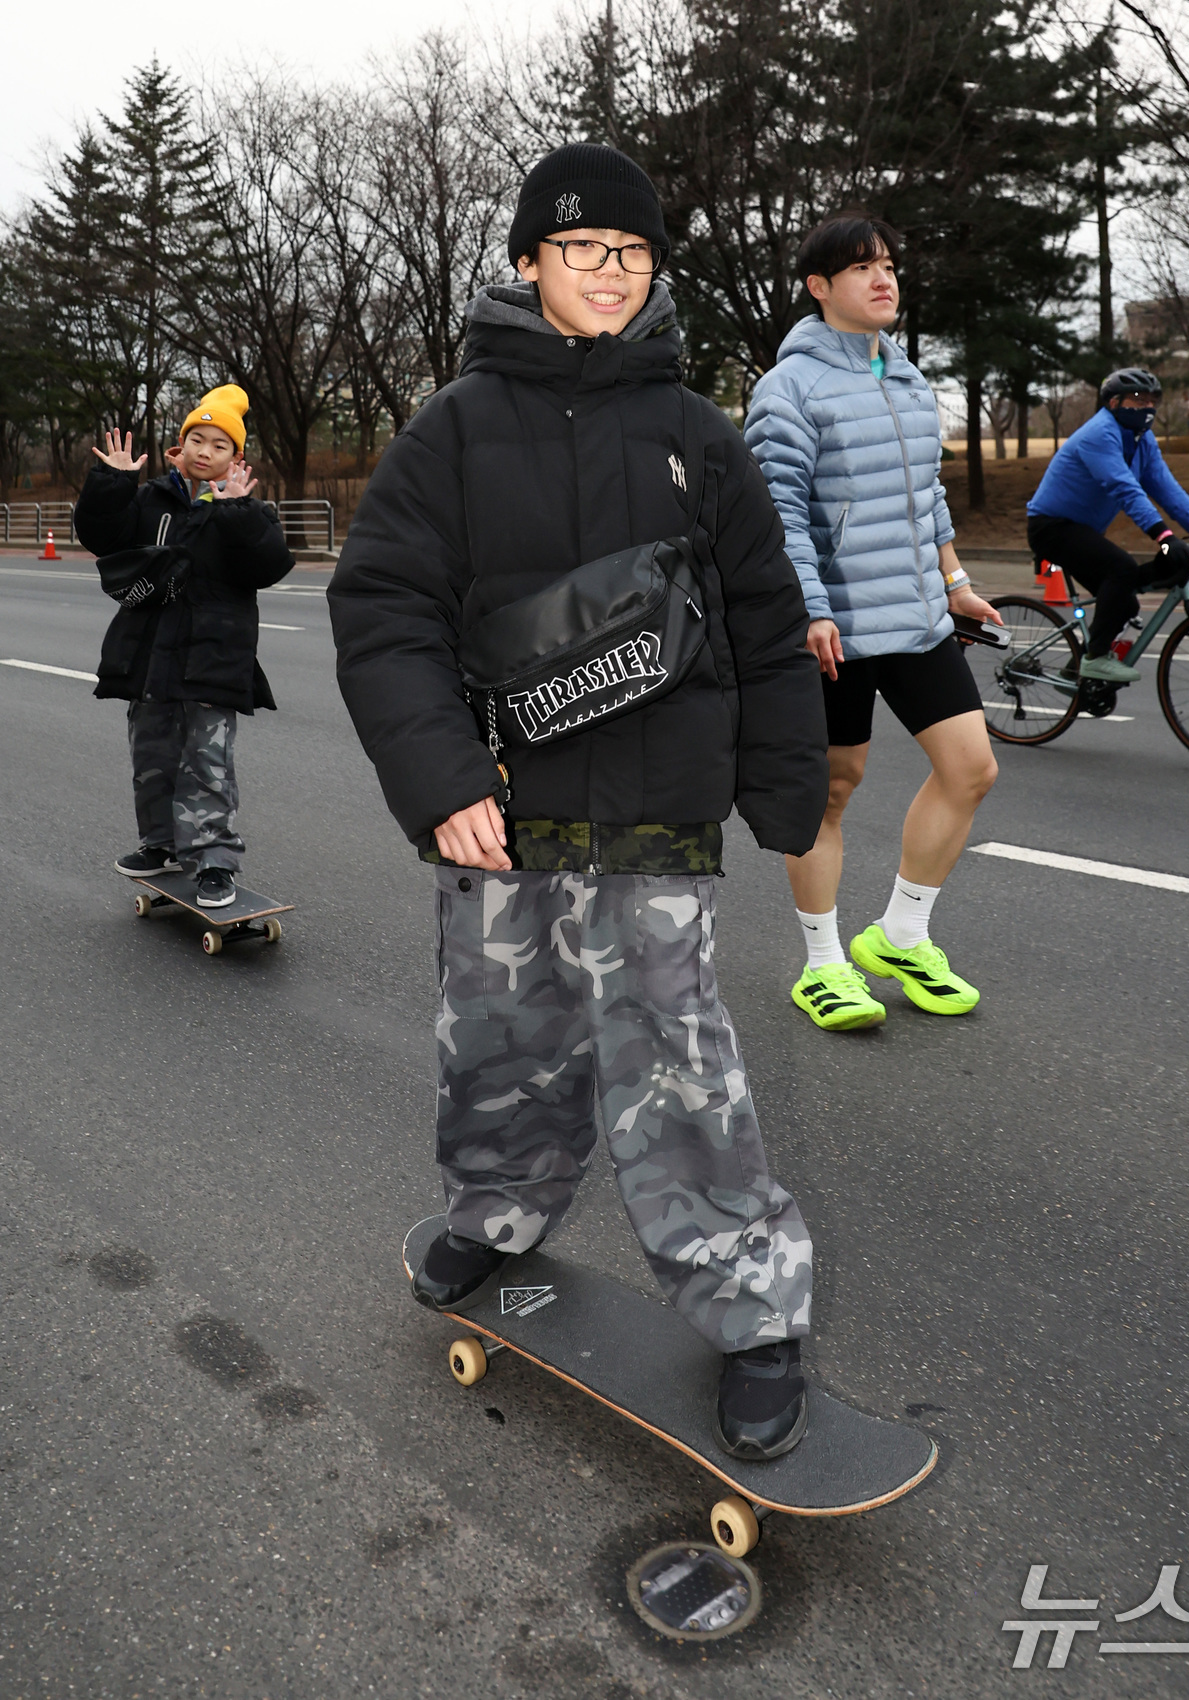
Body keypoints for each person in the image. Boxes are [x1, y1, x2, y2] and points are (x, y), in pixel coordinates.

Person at [328, 144, 829, 1462]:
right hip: (506, 805)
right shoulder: (454, 430)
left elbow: (768, 624)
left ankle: (753, 1308)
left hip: (661, 813)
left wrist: (786, 783)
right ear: (528, 263)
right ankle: (492, 1218)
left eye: (633, 254)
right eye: (582, 249)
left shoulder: (698, 436)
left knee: (678, 1061)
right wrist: (441, 783)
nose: (610, 273)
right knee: (502, 1039)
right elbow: (386, 615)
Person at [744, 214, 1000, 1035]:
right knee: (830, 792)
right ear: (820, 289)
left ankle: (899, 935)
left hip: (918, 615)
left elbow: (925, 496)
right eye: (862, 269)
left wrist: (954, 581)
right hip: (837, 627)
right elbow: (777, 513)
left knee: (970, 769)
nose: (884, 279)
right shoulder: (790, 389)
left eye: (889, 265)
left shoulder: (908, 379)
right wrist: (810, 610)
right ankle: (823, 964)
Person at [75, 387, 293, 908]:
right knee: (151, 754)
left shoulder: (246, 510)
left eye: (219, 445)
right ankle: (161, 844)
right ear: (180, 444)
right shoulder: (151, 498)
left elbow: (269, 565)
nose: (205, 450)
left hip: (214, 658)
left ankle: (214, 863)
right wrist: (114, 484)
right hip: (150, 653)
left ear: (235, 459)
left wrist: (237, 511)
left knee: (207, 763)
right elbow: (103, 536)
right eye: (196, 437)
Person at [1026, 368, 1189, 683]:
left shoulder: (1143, 440)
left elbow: (1169, 491)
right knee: (1122, 569)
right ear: (1114, 402)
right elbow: (1125, 489)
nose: (1147, 407)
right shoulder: (1099, 433)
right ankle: (1096, 658)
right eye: (1138, 400)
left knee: (1125, 601)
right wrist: (1165, 537)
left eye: (1153, 400)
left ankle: (1077, 672)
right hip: (1051, 527)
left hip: (1080, 529)